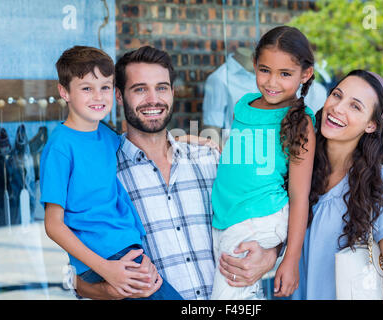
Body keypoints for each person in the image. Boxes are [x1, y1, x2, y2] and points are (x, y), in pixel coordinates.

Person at [71, 45, 281, 300]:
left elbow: (261, 214)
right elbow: (76, 274)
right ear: (118, 95)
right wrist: (107, 290)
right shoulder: (104, 176)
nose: (153, 99)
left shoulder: (209, 159)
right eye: (140, 89)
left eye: (161, 88)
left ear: (172, 92)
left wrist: (271, 253)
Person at [40, 45, 182, 300]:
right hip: (104, 257)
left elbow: (150, 140)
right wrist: (104, 267)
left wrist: (191, 140)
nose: (98, 96)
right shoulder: (60, 147)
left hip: (128, 248)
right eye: (86, 88)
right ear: (64, 92)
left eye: (105, 87)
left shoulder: (106, 136)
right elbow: (53, 225)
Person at [210, 25, 316, 300]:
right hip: (227, 214)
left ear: (305, 74)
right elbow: (240, 155)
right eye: (265, 70)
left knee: (226, 299)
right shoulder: (244, 104)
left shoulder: (301, 123)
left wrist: (290, 260)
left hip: (261, 215)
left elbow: (300, 195)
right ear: (254, 64)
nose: (272, 82)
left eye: (285, 74)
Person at [292, 69, 383, 300]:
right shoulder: (303, 169)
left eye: (355, 106)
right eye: (337, 95)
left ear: (371, 125)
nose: (337, 108)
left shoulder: (379, 183)